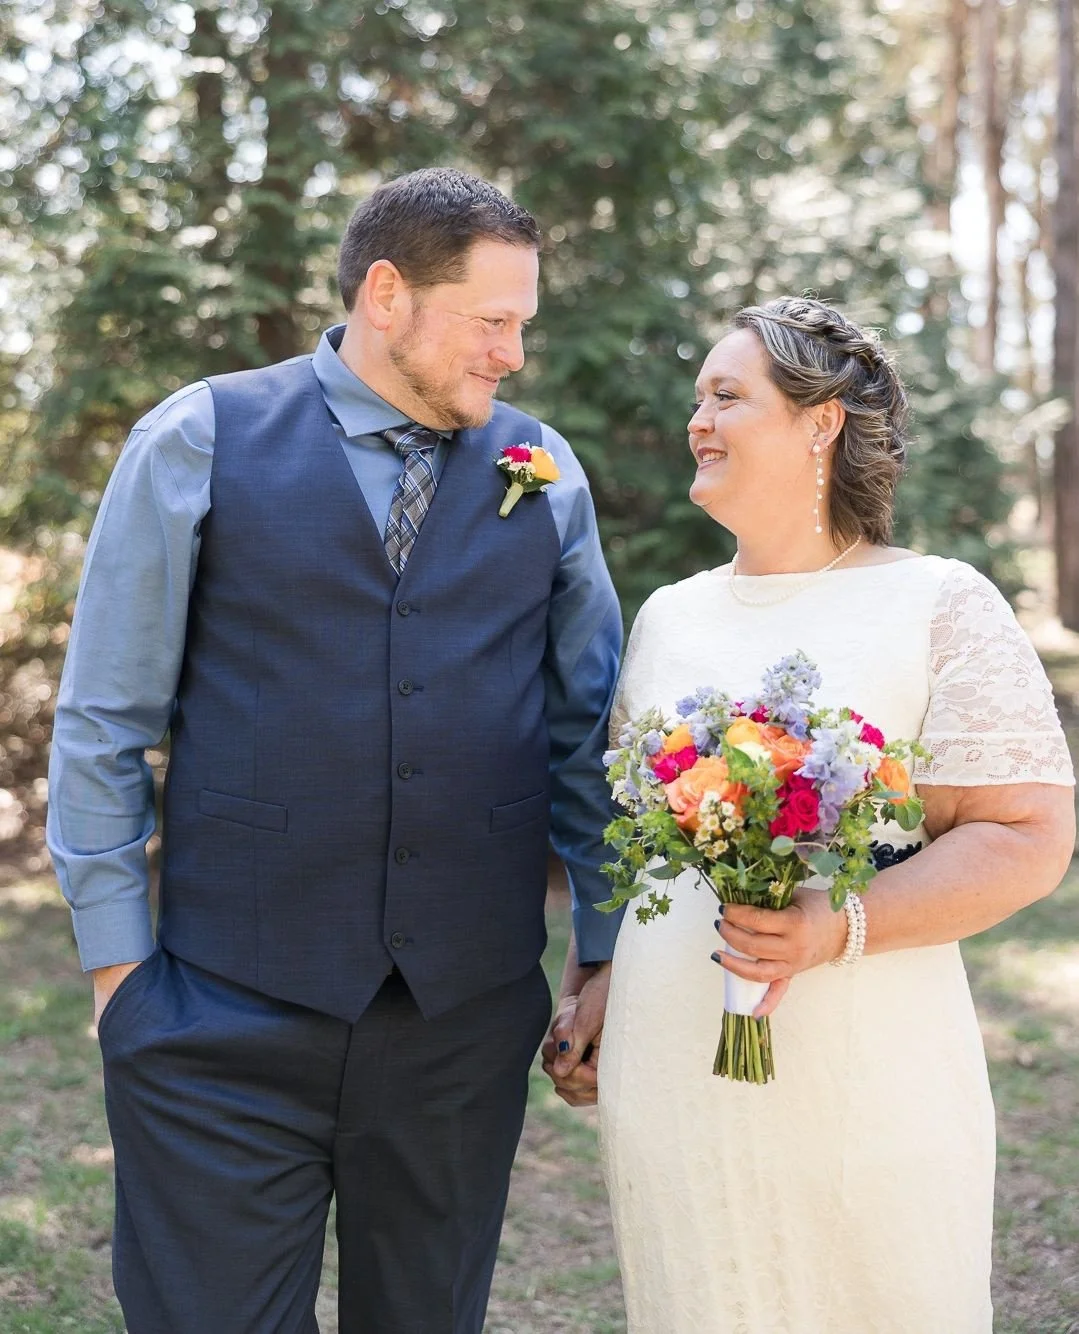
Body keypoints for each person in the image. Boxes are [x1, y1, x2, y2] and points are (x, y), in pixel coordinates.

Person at [46, 167, 622, 1334]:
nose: (513, 353)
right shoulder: (197, 438)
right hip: (220, 1012)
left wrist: (603, 949)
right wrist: (120, 979)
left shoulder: (543, 471)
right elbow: (106, 718)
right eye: (492, 321)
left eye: (524, 324)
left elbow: (586, 730)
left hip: (461, 1022)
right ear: (387, 293)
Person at [547, 296, 1076, 1332]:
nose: (694, 418)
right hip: (672, 1067)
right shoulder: (668, 616)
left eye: (726, 394)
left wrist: (836, 924)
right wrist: (595, 981)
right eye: (697, 395)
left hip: (864, 1070)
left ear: (819, 422)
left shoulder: (935, 600)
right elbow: (645, 843)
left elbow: (1026, 832)